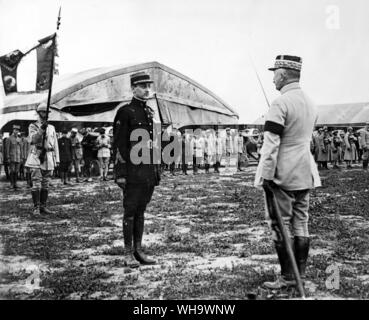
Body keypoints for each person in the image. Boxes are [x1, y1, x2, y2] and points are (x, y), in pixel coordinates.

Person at [254, 55, 321, 289]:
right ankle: (299, 275)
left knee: (279, 224)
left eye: (275, 73)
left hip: (283, 173)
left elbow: (271, 144)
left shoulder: (280, 103)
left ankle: (287, 277)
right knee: (302, 224)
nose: (273, 78)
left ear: (283, 74)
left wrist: (266, 175)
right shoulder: (311, 103)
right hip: (306, 171)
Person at [114, 72, 161, 268]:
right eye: (142, 86)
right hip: (132, 172)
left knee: (141, 211)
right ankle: (127, 253)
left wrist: (156, 170)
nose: (147, 89)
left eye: (149, 86)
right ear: (133, 88)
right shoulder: (125, 112)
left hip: (147, 172)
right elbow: (119, 145)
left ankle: (138, 250)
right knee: (130, 211)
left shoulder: (149, 112)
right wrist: (121, 173)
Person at [25, 102, 59, 217]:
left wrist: (56, 159)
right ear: (38, 113)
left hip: (48, 156)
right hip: (36, 156)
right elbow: (33, 140)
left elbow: (55, 144)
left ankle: (43, 206)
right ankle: (36, 207)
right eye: (43, 112)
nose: (45, 114)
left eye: (47, 112)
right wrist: (41, 129)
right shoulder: (33, 126)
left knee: (45, 184)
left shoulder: (52, 127)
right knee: (37, 184)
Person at [5, 124, 23, 190]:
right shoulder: (9, 138)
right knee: (12, 171)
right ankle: (12, 184)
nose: (16, 131)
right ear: (13, 130)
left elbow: (21, 148)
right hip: (12, 157)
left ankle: (15, 183)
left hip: (18, 157)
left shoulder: (19, 139)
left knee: (16, 171)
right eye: (15, 130)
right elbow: (7, 149)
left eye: (17, 130)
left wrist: (21, 157)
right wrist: (8, 157)